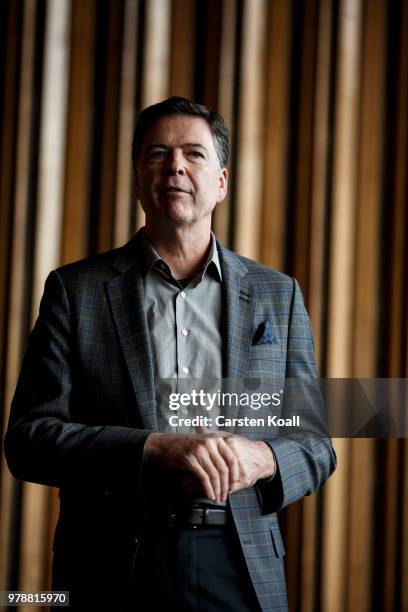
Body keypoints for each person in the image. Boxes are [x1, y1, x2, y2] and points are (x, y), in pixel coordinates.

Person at [5, 97, 336, 611]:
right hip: (111, 560)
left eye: (193, 154)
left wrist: (263, 457)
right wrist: (151, 447)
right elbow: (29, 440)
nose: (175, 166)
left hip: (241, 559)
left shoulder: (278, 295)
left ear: (221, 182)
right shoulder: (75, 290)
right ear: (138, 181)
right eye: (158, 154)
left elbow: (315, 444)